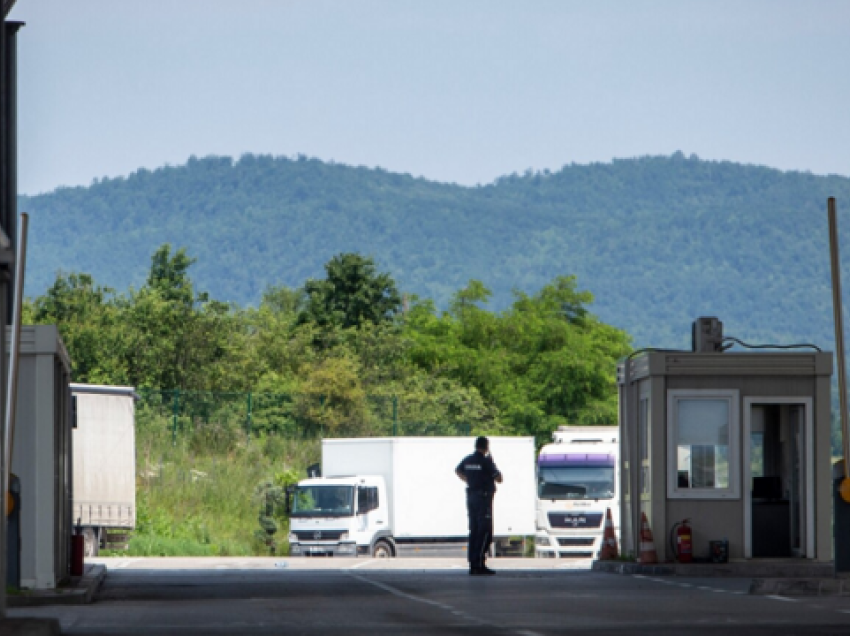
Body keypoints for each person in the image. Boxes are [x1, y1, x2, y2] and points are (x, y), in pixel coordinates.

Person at [455, 436, 503, 576]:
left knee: (474, 530)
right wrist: (492, 465)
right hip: (483, 499)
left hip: (471, 497)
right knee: (485, 531)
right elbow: (499, 479)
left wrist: (469, 480)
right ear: (486, 447)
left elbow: (458, 471)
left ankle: (473, 563)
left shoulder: (468, 460)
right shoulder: (486, 462)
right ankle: (480, 563)